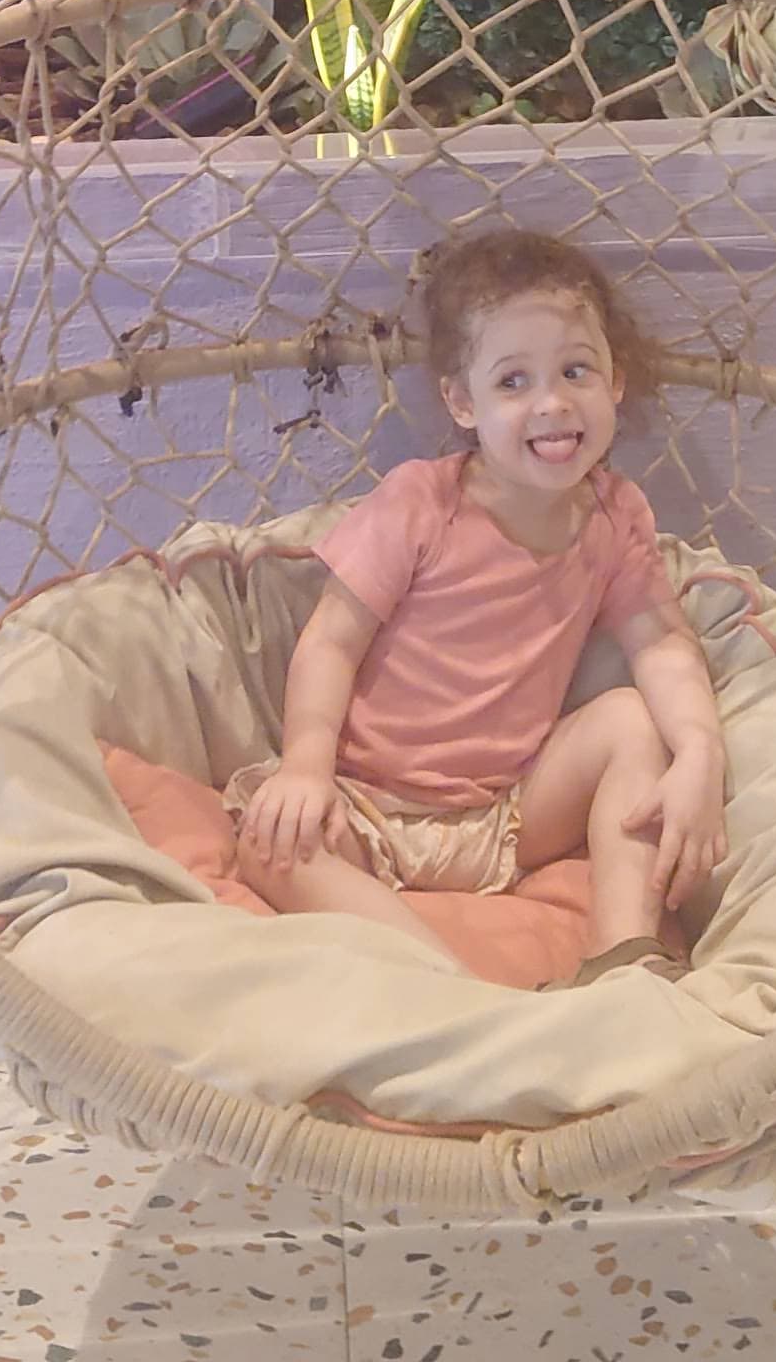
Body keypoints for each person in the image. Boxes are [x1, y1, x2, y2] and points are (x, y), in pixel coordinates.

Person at [222, 223, 728, 988]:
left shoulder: (615, 515)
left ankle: (624, 961)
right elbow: (330, 641)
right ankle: (448, 985)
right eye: (513, 382)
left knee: (629, 718)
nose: (552, 404)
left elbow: (660, 643)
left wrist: (699, 754)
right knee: (267, 846)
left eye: (576, 371)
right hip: (368, 808)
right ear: (462, 402)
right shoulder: (423, 505)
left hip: (507, 814)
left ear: (615, 381)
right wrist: (305, 768)